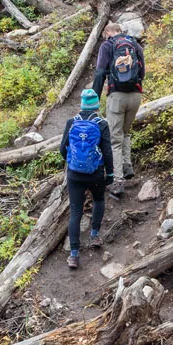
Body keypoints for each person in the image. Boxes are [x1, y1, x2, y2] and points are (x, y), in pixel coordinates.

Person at [59, 88, 114, 270]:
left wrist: (71, 162)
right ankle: (94, 235)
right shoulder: (101, 123)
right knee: (98, 199)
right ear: (97, 106)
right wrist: (110, 173)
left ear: (81, 105)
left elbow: (62, 148)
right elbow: (107, 151)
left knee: (75, 212)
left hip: (74, 174)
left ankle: (74, 255)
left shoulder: (71, 122)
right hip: (95, 173)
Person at [92, 22, 145, 199]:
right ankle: (127, 166)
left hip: (117, 96)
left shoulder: (107, 45)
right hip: (136, 95)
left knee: (114, 139)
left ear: (108, 32)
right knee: (125, 132)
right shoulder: (134, 44)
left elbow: (100, 73)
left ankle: (117, 182)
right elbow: (142, 70)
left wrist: (95, 98)